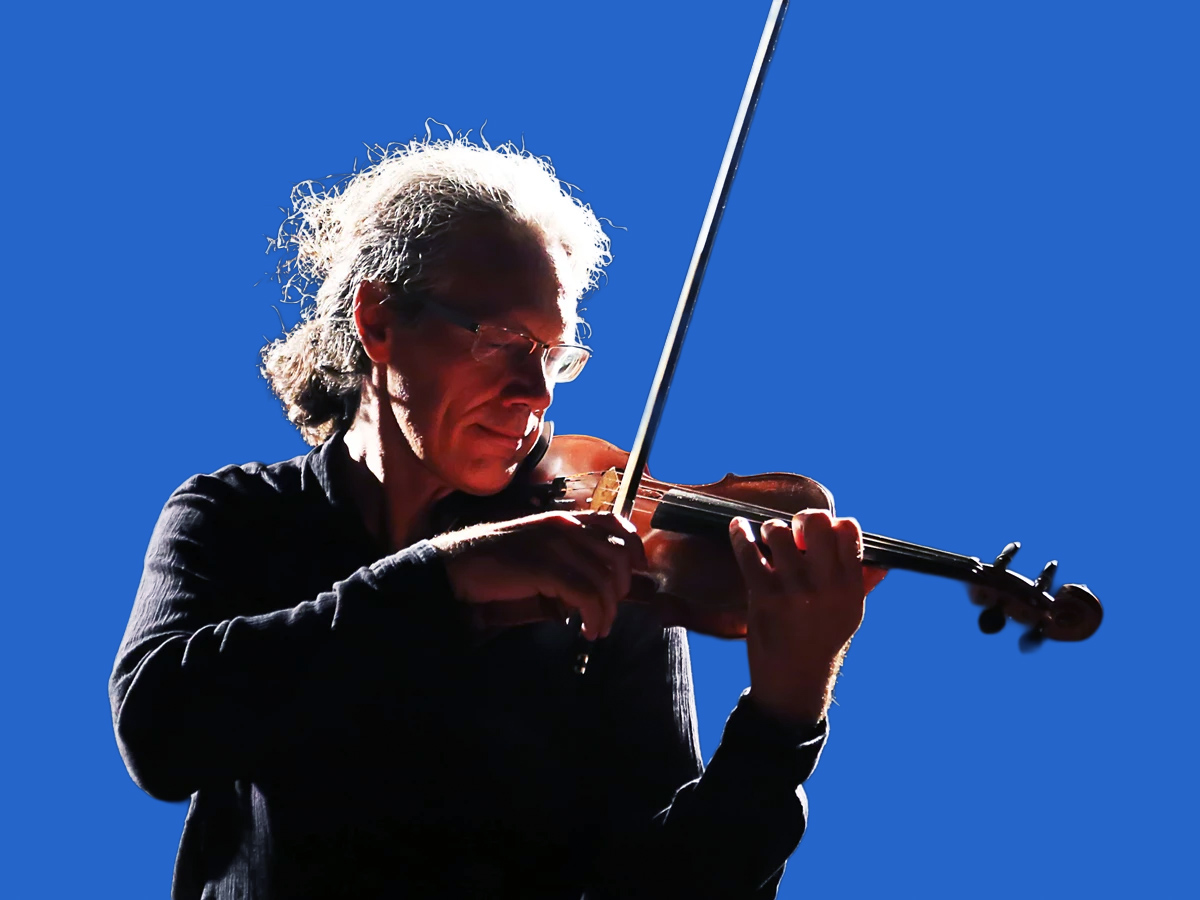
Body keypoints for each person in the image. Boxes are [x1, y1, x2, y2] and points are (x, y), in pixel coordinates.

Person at [110, 136, 872, 900]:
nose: (535, 392)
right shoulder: (234, 516)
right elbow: (160, 733)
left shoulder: (599, 566)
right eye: (502, 340)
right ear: (378, 321)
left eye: (553, 354)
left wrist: (782, 721)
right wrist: (445, 576)